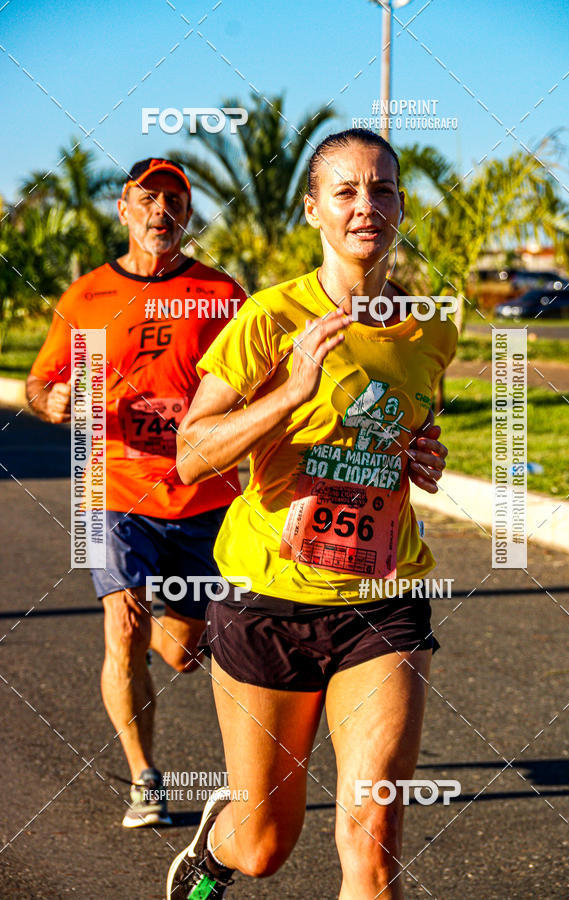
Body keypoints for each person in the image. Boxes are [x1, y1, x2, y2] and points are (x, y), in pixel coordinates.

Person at [166, 129, 457, 899]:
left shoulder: (432, 328)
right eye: (347, 191)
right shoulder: (269, 318)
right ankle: (212, 857)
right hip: (267, 601)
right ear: (313, 209)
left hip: (381, 602)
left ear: (400, 204)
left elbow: (405, 431)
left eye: (384, 189)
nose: (369, 205)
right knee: (264, 847)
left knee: (373, 839)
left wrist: (423, 457)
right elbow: (192, 454)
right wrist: (291, 391)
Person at [26, 158, 245, 828]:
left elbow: (257, 389)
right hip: (111, 484)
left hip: (200, 494)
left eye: (175, 201)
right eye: (147, 199)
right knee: (122, 626)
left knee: (181, 652)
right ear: (124, 209)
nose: (161, 212)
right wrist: (53, 399)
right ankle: (144, 778)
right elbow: (39, 384)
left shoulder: (221, 294)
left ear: (187, 214)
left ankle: (161, 616)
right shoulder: (87, 294)